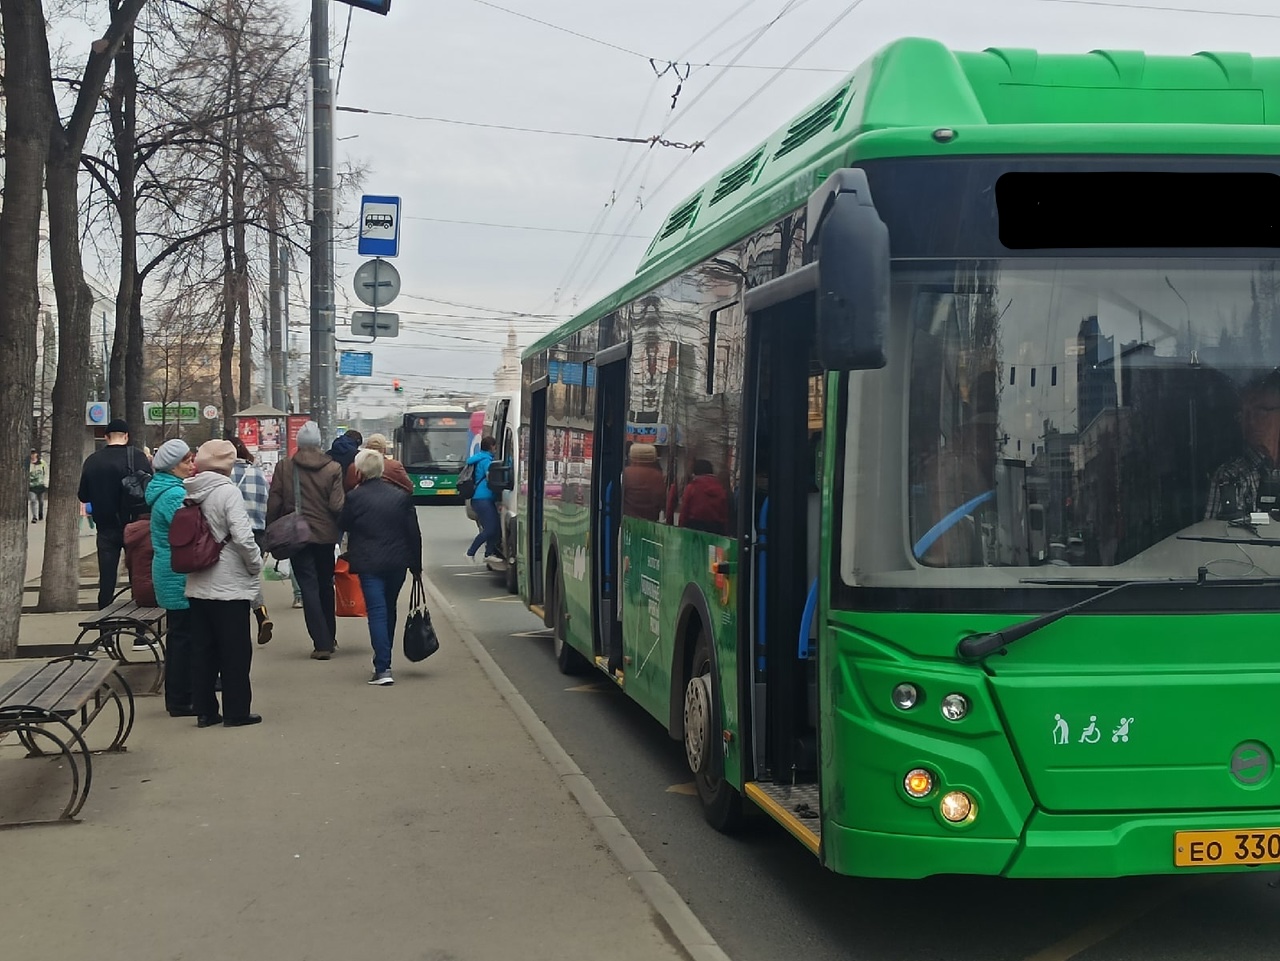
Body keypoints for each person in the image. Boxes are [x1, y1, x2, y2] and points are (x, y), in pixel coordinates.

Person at [184, 439, 264, 728]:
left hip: (197, 581)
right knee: (235, 651)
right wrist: (255, 564)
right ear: (227, 464)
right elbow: (242, 536)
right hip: (229, 584)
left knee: (203, 650)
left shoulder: (190, 491)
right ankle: (236, 710)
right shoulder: (227, 491)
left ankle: (205, 711)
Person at [340, 449, 423, 685]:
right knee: (389, 609)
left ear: (359, 471)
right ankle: (384, 658)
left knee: (376, 611)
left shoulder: (355, 498)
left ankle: (383, 667)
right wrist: (416, 565)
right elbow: (413, 533)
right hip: (397, 563)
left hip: (369, 563)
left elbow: (343, 523)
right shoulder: (400, 496)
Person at [266, 421, 344, 659]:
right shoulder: (333, 468)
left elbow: (275, 501)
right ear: (319, 443)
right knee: (325, 585)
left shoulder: (284, 467)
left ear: (298, 444)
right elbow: (337, 504)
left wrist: (270, 530)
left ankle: (321, 643)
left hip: (296, 535)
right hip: (325, 536)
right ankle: (329, 635)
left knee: (308, 587)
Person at [146, 439, 199, 717]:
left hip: (172, 570)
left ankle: (186, 691)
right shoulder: (171, 495)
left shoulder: (169, 489)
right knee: (182, 638)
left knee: (184, 634)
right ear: (172, 465)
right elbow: (189, 530)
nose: (192, 464)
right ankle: (180, 699)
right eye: (187, 460)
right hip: (175, 573)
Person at [78, 419, 153, 609]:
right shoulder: (138, 457)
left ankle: (105, 631)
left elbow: (83, 495)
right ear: (126, 436)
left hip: (106, 528)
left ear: (105, 437)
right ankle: (139, 631)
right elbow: (149, 490)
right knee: (137, 577)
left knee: (107, 580)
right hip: (135, 527)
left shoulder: (92, 460)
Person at [1206, 371, 1280, 520]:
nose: (1249, 422)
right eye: (1243, 414)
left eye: (1260, 412)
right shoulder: (1231, 476)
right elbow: (1216, 536)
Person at [229, 436, 273, 645]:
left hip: (231, 532)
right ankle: (259, 612)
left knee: (235, 576)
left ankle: (252, 615)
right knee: (250, 574)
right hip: (257, 532)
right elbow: (266, 501)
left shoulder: (223, 474)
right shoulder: (257, 473)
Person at [464, 435, 499, 564]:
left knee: (495, 528)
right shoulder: (486, 461)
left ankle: (489, 553)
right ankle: (470, 553)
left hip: (480, 499)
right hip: (482, 499)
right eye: (495, 446)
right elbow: (491, 478)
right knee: (490, 529)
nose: (495, 449)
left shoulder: (480, 458)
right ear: (491, 447)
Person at [345, 433, 412, 494]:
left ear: (366, 448)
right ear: (385, 450)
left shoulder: (355, 466)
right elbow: (409, 488)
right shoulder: (395, 466)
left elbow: (348, 490)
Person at [677, 459, 730, 534]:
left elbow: (684, 511)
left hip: (694, 529)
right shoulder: (720, 489)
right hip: (716, 530)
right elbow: (724, 515)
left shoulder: (692, 488)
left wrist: (680, 529)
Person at [622, 442, 666, 521]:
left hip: (629, 522)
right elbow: (662, 502)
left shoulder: (626, 473)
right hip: (650, 524)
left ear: (632, 457)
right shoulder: (658, 476)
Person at [28, 449, 48, 523]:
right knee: (33, 500)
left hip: (41, 485)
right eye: (31, 454)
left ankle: (40, 513)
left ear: (36, 454)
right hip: (32, 486)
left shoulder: (42, 463)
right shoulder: (28, 463)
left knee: (41, 502)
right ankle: (34, 516)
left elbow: (46, 472)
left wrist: (45, 483)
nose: (33, 455)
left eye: (34, 453)